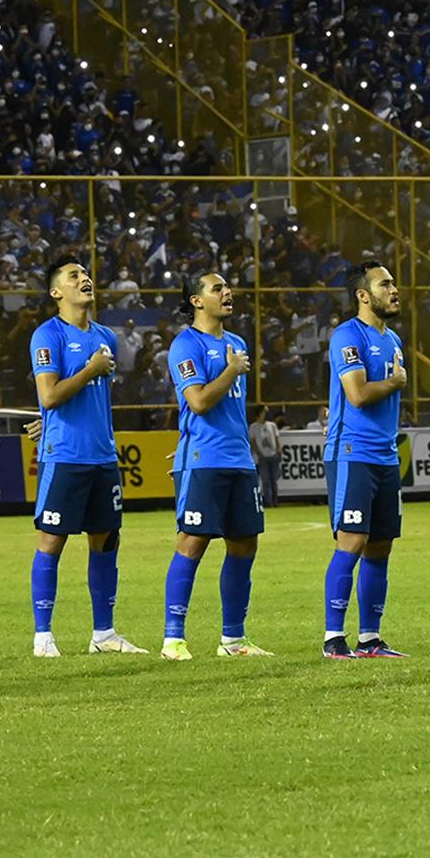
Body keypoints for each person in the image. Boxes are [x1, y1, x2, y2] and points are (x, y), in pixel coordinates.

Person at [29, 254, 144, 658]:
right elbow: (49, 394)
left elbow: (79, 400)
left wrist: (53, 414)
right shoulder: (48, 335)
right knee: (52, 539)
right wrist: (90, 370)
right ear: (56, 291)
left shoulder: (105, 337)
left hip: (102, 456)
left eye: (87, 274)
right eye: (74, 276)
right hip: (64, 456)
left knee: (105, 540)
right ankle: (43, 636)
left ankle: (104, 634)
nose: (85, 279)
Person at [161, 269, 270, 661]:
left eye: (227, 286)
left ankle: (233, 639)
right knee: (193, 542)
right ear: (196, 300)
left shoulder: (237, 343)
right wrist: (230, 370)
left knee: (244, 546)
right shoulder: (184, 345)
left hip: (239, 461)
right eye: (217, 288)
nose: (228, 292)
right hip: (203, 461)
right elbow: (199, 402)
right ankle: (173, 638)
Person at [321, 261, 410, 660]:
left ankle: (370, 638)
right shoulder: (346, 336)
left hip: (385, 456)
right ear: (362, 295)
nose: (394, 289)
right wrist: (394, 382)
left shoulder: (393, 340)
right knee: (352, 541)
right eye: (385, 284)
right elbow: (356, 395)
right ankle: (333, 638)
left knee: (380, 546)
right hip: (352, 453)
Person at [249, 406, 281, 508]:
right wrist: (258, 452)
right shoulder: (254, 427)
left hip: (272, 455)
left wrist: (278, 450)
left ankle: (275, 501)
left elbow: (276, 438)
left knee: (274, 480)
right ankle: (267, 501)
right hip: (262, 456)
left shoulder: (272, 425)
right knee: (265, 480)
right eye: (264, 412)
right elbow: (253, 441)